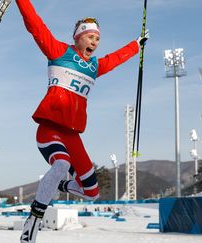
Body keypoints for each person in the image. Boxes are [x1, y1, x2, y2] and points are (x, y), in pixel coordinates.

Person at [15, 1, 148, 242]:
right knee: (62, 165)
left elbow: (116, 58)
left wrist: (136, 45)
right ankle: (33, 221)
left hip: (73, 136)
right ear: (77, 37)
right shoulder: (59, 52)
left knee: (92, 192)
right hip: (50, 130)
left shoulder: (95, 66)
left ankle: (60, 186)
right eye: (90, 37)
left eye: (97, 39)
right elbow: (35, 25)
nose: (94, 42)